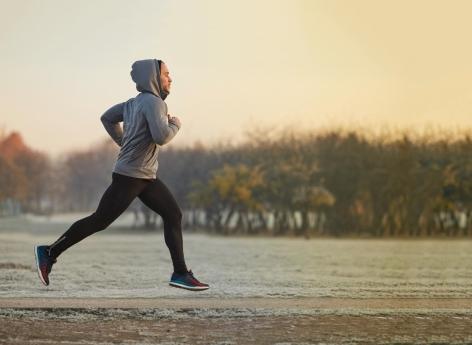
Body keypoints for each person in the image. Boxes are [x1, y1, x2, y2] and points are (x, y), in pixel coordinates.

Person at [34, 59, 209, 291]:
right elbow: (161, 137)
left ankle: (180, 273)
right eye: (166, 74)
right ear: (154, 77)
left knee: (173, 214)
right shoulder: (155, 103)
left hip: (145, 177)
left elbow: (106, 117)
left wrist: (122, 141)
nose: (170, 78)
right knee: (100, 220)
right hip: (131, 176)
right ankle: (48, 252)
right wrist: (175, 124)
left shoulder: (133, 103)